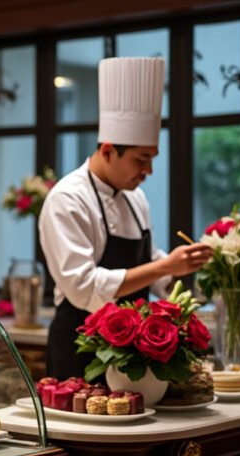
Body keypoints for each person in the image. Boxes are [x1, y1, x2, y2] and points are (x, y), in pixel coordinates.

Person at [39, 57, 212, 380]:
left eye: (151, 159)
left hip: (133, 353)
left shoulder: (135, 196)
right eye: (141, 160)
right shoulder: (67, 199)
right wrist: (164, 266)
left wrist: (184, 270)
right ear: (107, 150)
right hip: (80, 351)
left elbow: (149, 262)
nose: (148, 172)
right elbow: (83, 289)